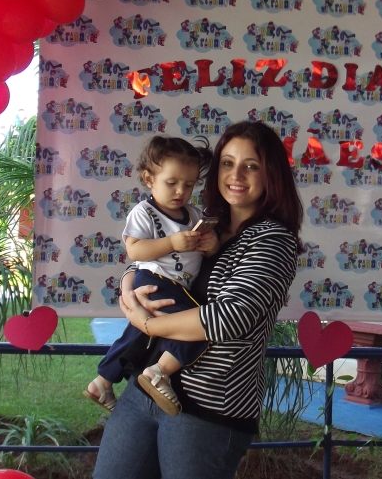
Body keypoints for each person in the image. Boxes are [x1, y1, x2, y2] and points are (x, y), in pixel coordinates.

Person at [93, 121, 303, 479]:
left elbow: (230, 318)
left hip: (209, 409)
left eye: (251, 165)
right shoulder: (204, 226)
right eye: (228, 163)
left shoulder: (272, 240)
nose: (236, 175)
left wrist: (148, 324)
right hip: (144, 389)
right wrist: (129, 286)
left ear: (271, 174)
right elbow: (150, 262)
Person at [84, 136, 217, 416]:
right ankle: (159, 372)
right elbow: (135, 250)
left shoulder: (194, 215)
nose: (180, 191)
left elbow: (209, 251)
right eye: (172, 182)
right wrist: (171, 243)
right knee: (196, 328)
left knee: (136, 334)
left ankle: (102, 382)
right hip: (156, 281)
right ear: (149, 179)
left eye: (189, 185)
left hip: (177, 286)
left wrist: (210, 245)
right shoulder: (144, 212)